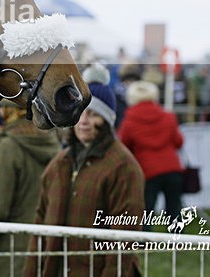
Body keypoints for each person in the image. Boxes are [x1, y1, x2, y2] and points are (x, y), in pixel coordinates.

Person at [23, 83, 145, 277]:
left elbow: (125, 235)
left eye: (93, 114)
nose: (84, 122)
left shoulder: (123, 167)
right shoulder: (58, 164)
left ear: (106, 121)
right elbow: (39, 226)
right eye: (79, 113)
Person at [0, 100, 60, 276]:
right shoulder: (56, 148)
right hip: (47, 251)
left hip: (11, 255)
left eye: (3, 107)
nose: (0, 112)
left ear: (13, 111)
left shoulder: (8, 149)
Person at [118, 80, 184, 224]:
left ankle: (145, 244)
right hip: (172, 169)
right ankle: (177, 242)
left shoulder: (129, 122)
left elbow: (124, 148)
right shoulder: (168, 117)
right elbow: (178, 142)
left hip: (147, 172)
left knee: (146, 212)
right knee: (174, 211)